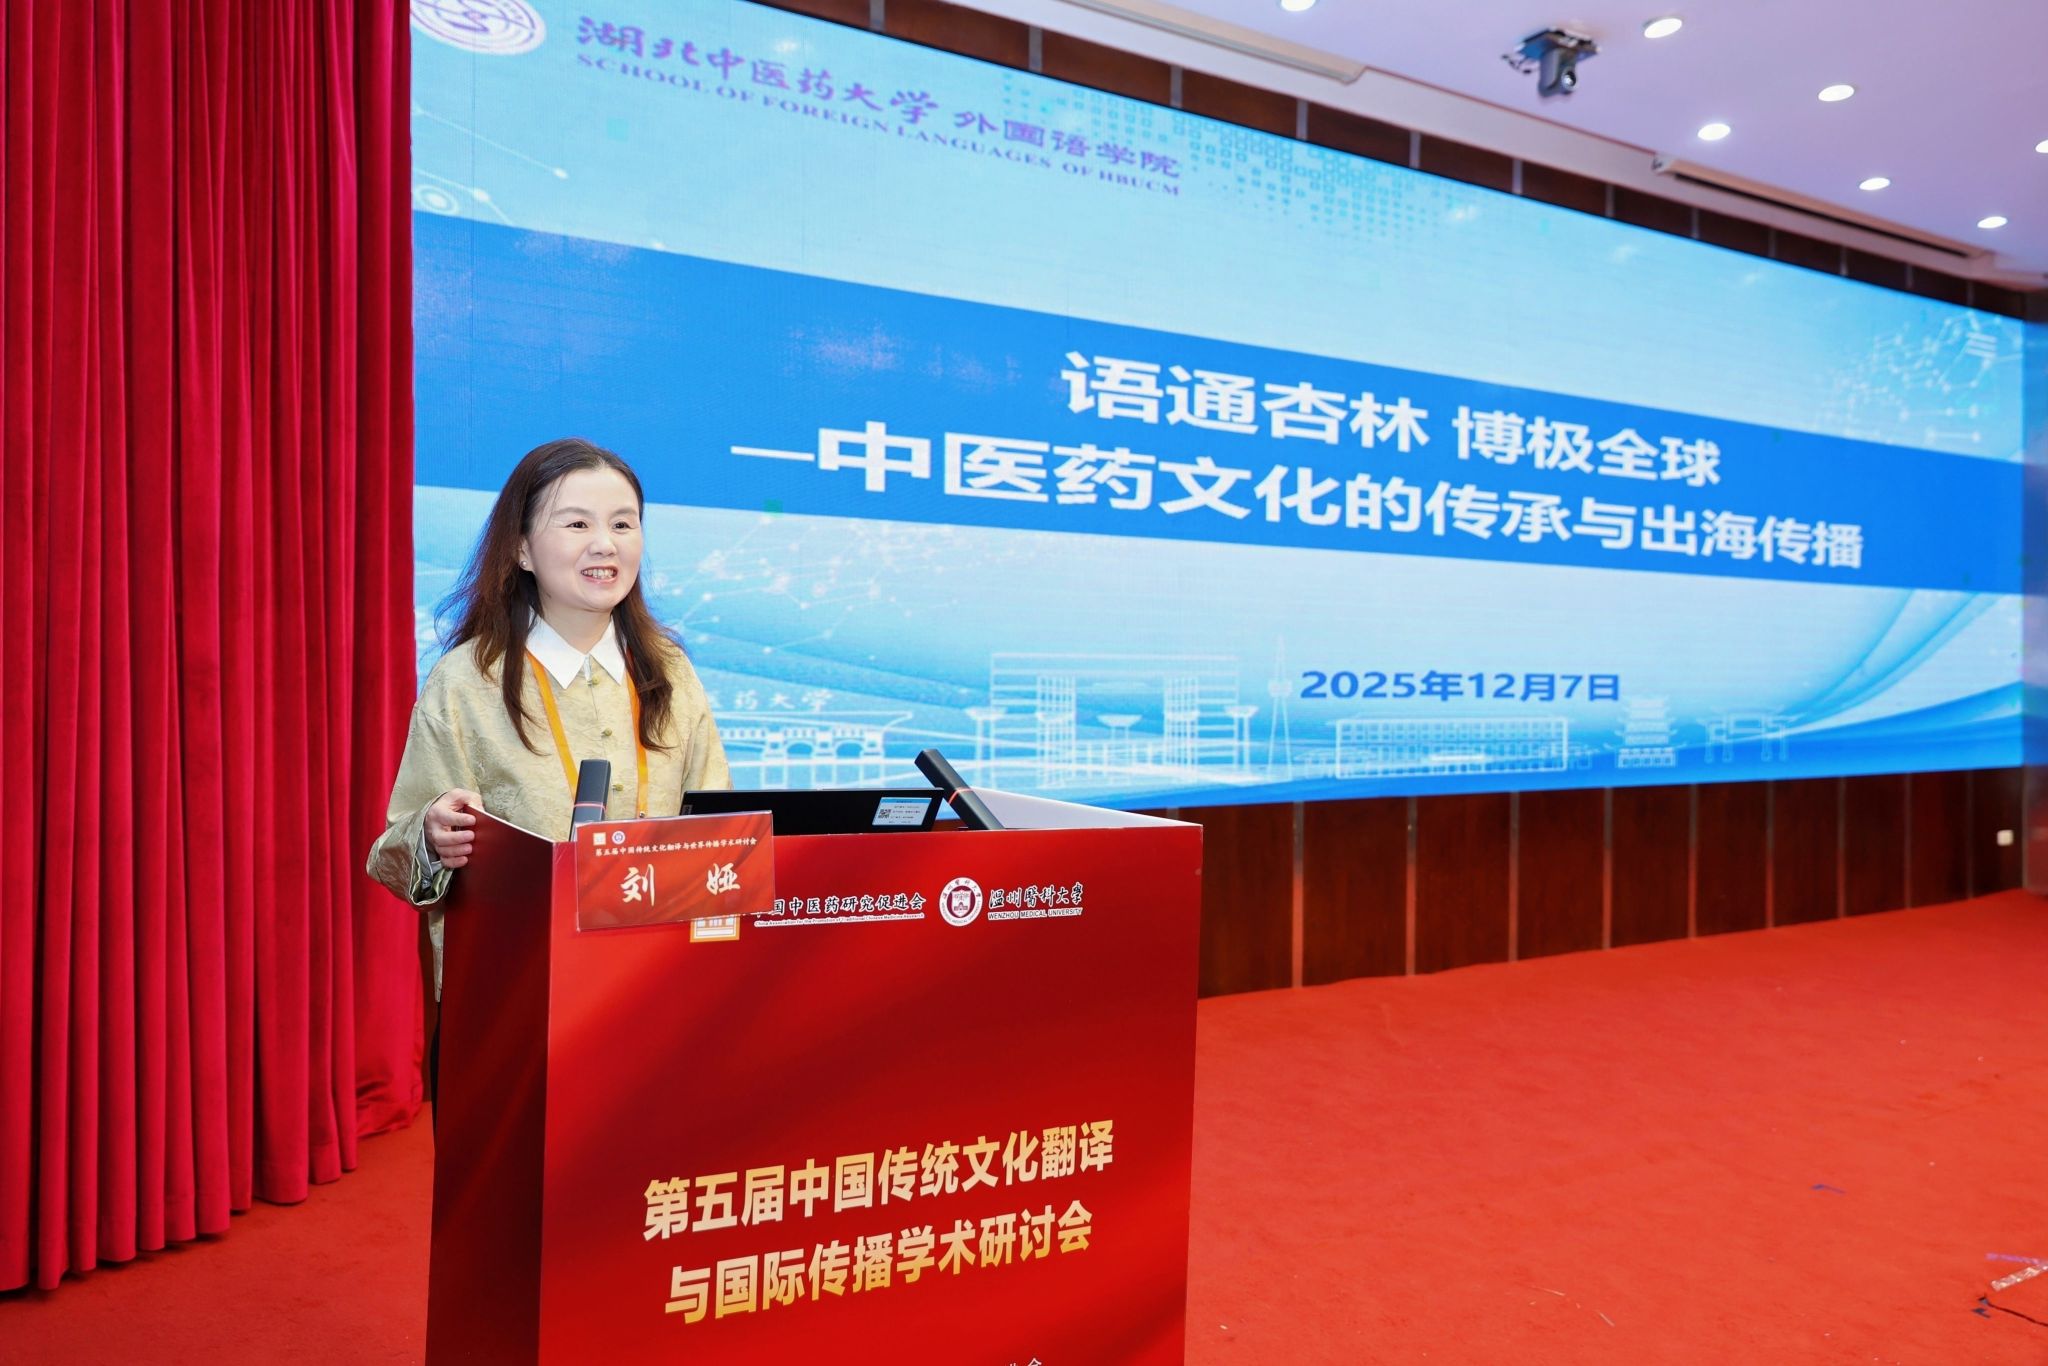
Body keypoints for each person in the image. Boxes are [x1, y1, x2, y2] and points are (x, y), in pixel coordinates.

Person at [366, 437, 731, 1093]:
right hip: (514, 1010)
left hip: (657, 1000)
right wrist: (431, 835)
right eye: (577, 524)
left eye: (623, 524)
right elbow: (393, 851)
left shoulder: (671, 673)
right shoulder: (467, 681)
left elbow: (719, 831)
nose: (605, 545)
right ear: (522, 549)